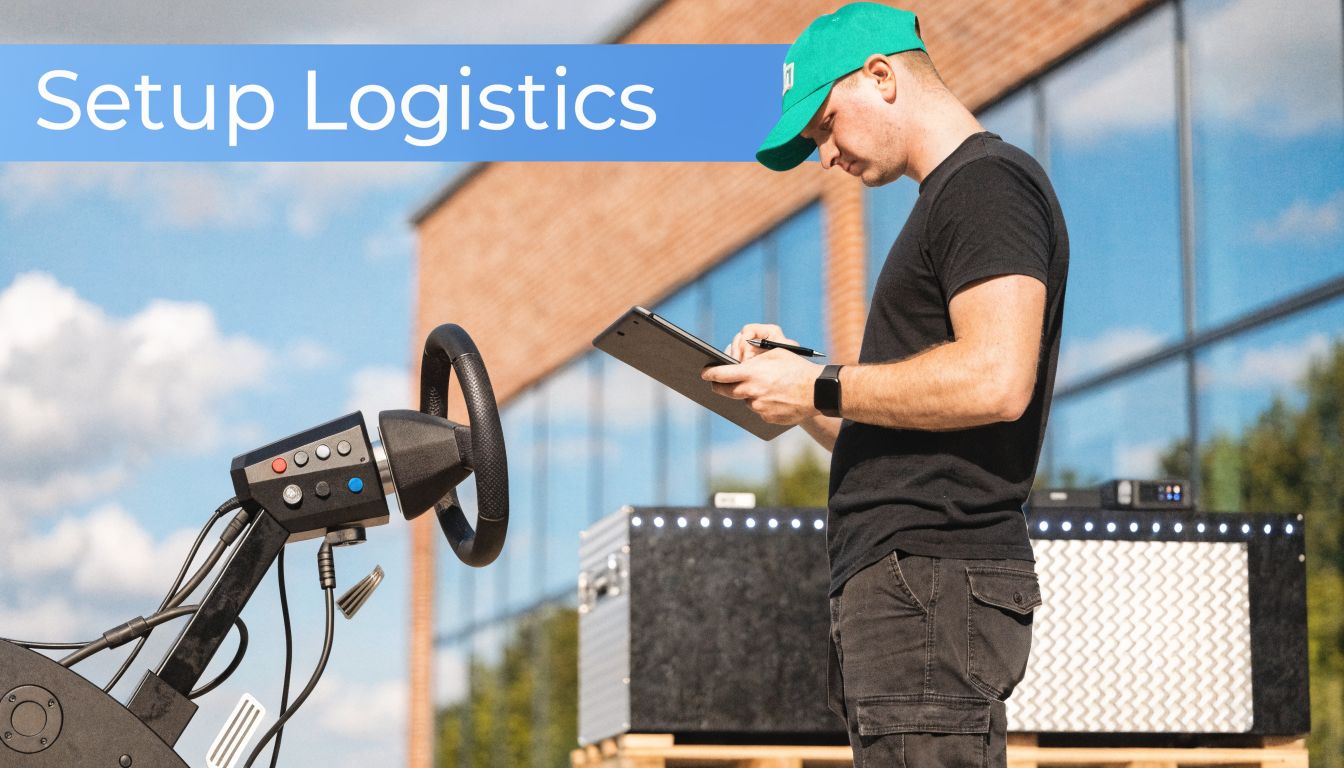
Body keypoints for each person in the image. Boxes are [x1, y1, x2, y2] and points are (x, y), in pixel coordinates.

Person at [700, 3, 1069, 766]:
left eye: (826, 125)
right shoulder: (949, 201)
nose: (825, 155)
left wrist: (819, 385)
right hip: (909, 589)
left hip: (928, 582)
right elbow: (901, 424)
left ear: (881, 76)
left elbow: (998, 379)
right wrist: (798, 390)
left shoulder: (985, 185)